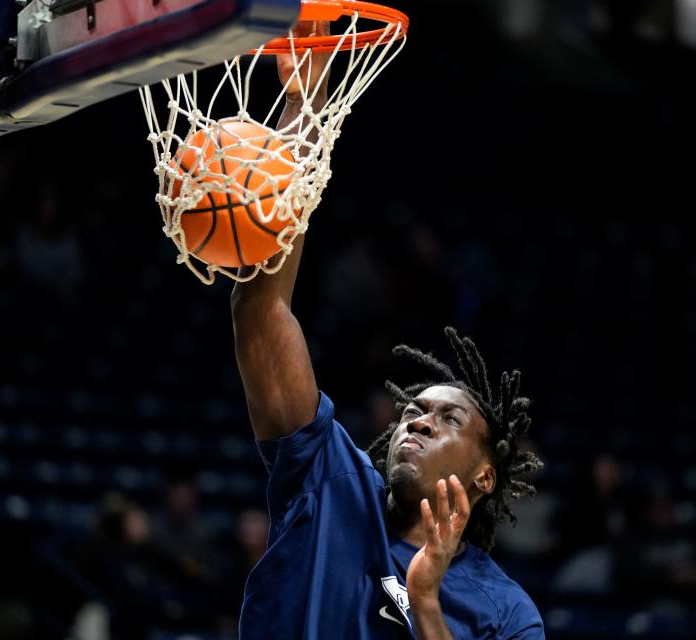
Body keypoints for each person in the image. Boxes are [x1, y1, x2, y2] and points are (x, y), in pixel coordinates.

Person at [229, 20, 545, 639]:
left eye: (448, 420)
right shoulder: (331, 478)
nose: (418, 420)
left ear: (486, 475)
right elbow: (261, 312)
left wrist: (424, 601)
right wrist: (304, 109)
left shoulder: (508, 613)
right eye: (414, 412)